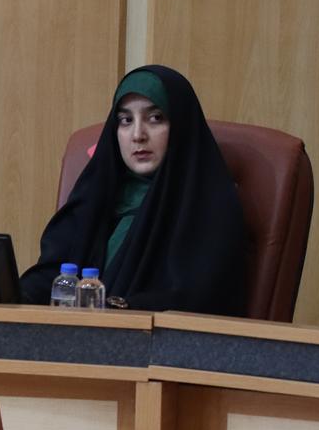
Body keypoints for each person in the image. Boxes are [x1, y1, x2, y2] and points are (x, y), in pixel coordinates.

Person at [19, 65, 248, 314]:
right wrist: (12, 293)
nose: (138, 135)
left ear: (181, 126)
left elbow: (195, 299)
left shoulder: (210, 208)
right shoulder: (95, 196)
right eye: (126, 120)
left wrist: (123, 308)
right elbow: (52, 276)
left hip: (152, 337)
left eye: (155, 118)